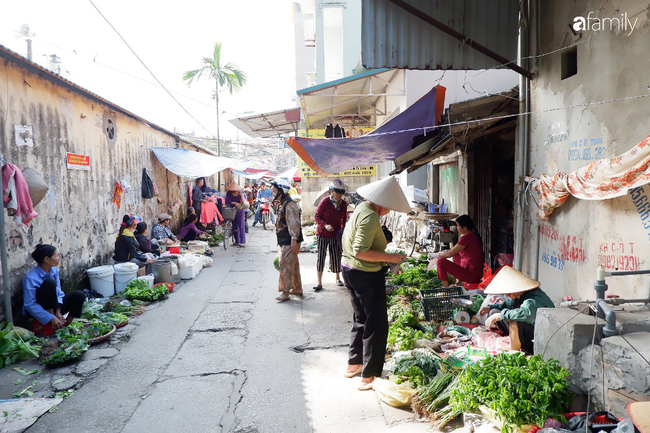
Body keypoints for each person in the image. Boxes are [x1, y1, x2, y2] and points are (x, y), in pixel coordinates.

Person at [340, 176, 411, 390]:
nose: (389, 211)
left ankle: (354, 363)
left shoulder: (361, 207)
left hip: (349, 270)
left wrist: (386, 257)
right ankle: (368, 374)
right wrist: (391, 258)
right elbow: (360, 250)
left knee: (360, 318)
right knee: (376, 324)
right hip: (365, 275)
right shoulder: (370, 216)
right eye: (389, 207)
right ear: (382, 204)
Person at [479, 266, 555, 354]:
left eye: (509, 294)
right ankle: (515, 338)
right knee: (494, 312)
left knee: (514, 319)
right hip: (529, 329)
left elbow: (526, 314)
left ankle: (520, 348)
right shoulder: (519, 295)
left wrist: (500, 316)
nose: (508, 296)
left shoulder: (532, 299)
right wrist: (490, 307)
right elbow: (508, 304)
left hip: (541, 335)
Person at [22, 244, 86, 331]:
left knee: (79, 295)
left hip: (54, 307)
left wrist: (58, 312)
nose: (59, 258)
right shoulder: (31, 278)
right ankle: (52, 322)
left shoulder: (54, 270)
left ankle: (66, 323)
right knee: (49, 283)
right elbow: (29, 304)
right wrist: (51, 317)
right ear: (46, 259)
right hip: (39, 310)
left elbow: (58, 292)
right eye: (56, 255)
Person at [313, 179, 348, 291]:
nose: (339, 195)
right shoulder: (325, 202)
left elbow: (343, 219)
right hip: (322, 234)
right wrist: (325, 225)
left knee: (336, 256)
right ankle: (319, 282)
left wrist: (343, 230)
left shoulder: (344, 204)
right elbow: (317, 217)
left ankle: (337, 278)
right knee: (321, 257)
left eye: (341, 193)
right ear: (331, 191)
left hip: (335, 234)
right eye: (337, 192)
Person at [273, 179, 303, 302]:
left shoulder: (289, 205)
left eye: (275, 191)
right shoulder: (283, 203)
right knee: (293, 265)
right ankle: (297, 288)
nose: (273, 194)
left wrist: (294, 240)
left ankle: (285, 292)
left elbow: (294, 224)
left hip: (290, 240)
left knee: (284, 265)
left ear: (282, 191)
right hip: (287, 239)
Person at [435, 214, 485, 287]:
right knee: (456, 254)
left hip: (472, 275)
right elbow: (454, 252)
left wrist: (436, 255)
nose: (457, 228)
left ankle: (445, 287)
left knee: (440, 261)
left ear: (465, 227)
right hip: (476, 273)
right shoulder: (472, 235)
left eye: (458, 226)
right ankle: (458, 282)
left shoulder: (466, 238)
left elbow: (449, 254)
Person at [225, 182, 248, 247]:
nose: (235, 192)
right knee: (234, 226)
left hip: (239, 210)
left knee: (241, 226)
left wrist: (242, 197)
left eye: (236, 191)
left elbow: (243, 203)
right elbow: (227, 201)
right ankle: (237, 241)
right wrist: (234, 203)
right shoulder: (229, 193)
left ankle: (242, 242)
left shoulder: (241, 194)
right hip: (232, 210)